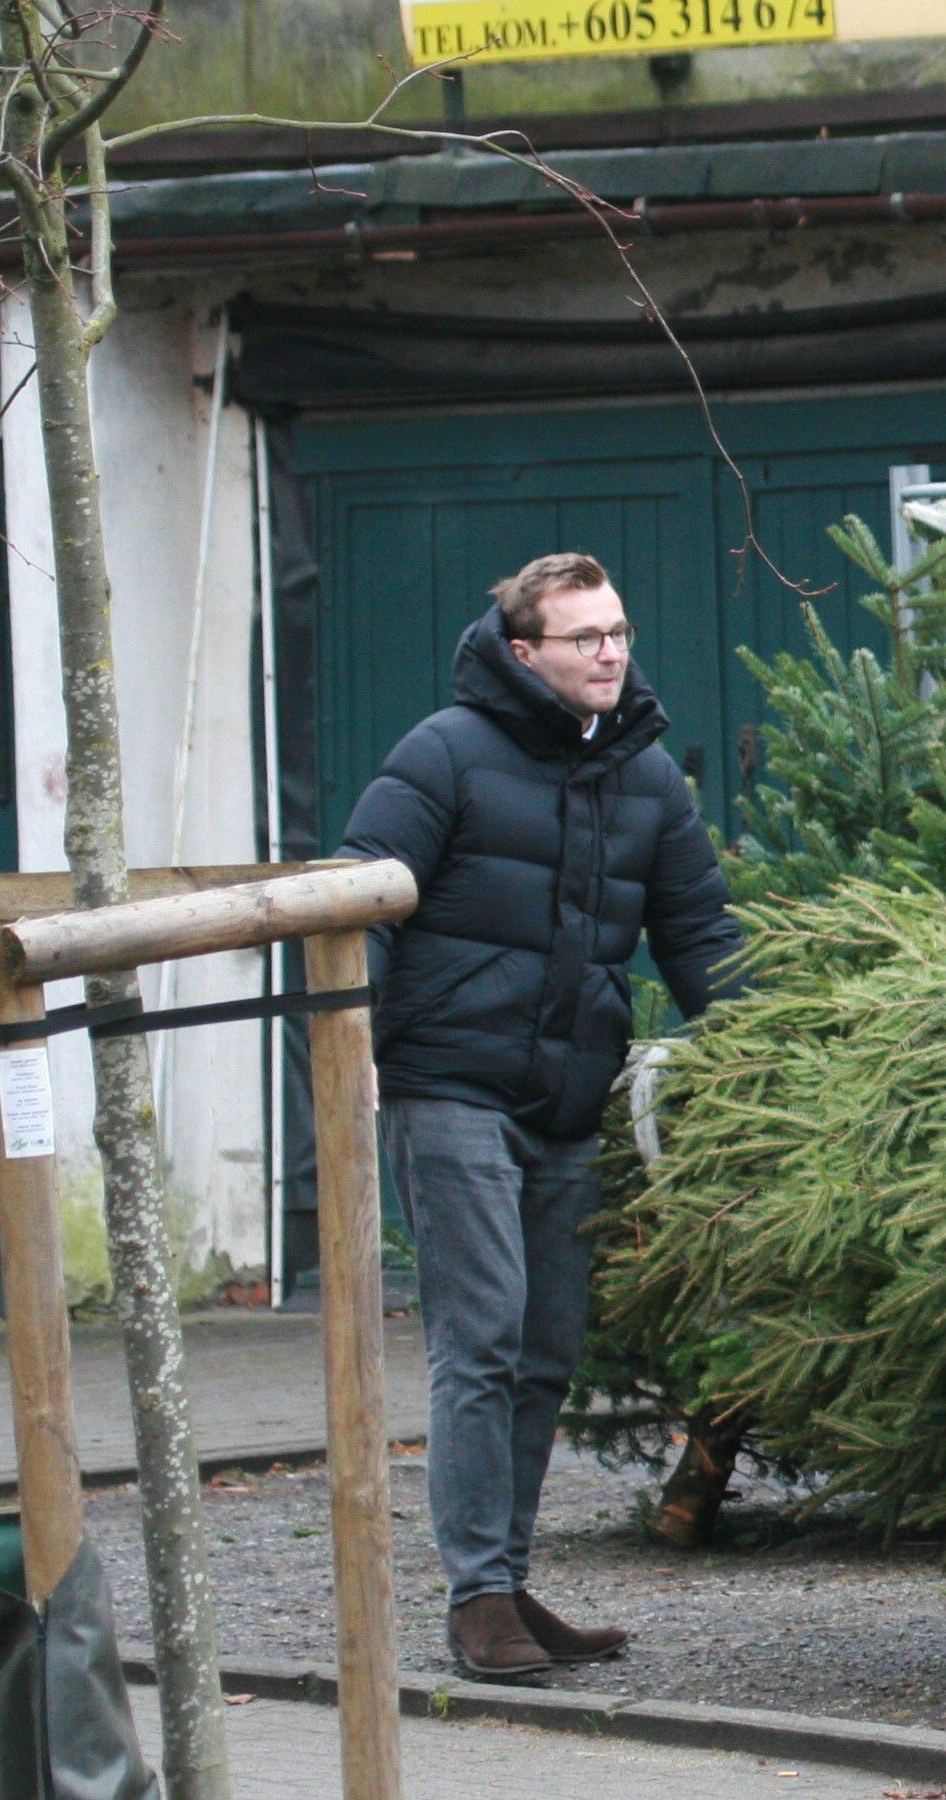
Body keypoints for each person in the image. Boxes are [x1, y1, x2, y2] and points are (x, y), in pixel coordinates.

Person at [340, 553, 742, 1684]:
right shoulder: (445, 754)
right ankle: (475, 1601)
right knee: (483, 1335)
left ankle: (507, 1579)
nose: (611, 652)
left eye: (618, 631)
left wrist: (777, 1048)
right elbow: (358, 895)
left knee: (544, 1346)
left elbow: (701, 935)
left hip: (565, 1101)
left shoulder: (647, 775)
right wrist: (349, 1051)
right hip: (448, 1087)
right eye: (584, 639)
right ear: (526, 655)